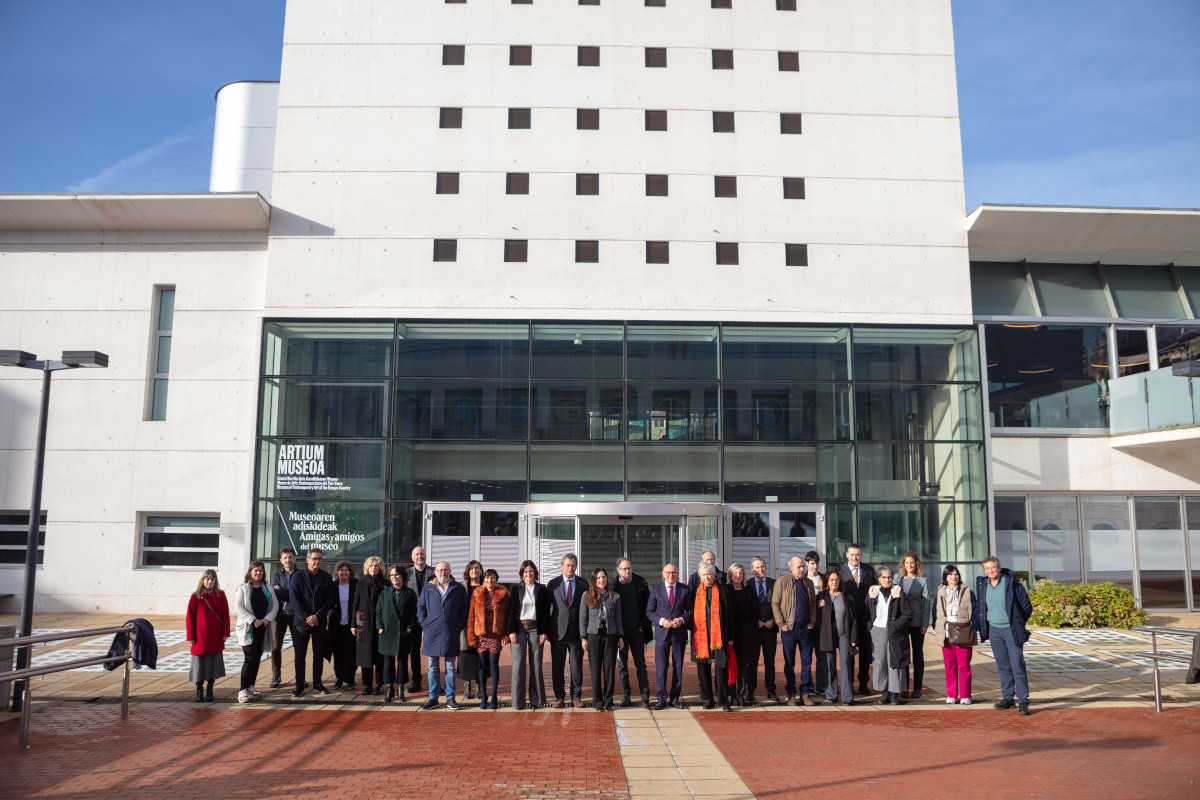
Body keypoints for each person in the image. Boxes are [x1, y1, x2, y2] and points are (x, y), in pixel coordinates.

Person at [973, 556, 1033, 715]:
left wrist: (1018, 622)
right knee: (1003, 666)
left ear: (999, 568)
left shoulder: (1011, 583)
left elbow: (1026, 606)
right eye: (987, 568)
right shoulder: (982, 585)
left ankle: (1023, 701)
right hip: (994, 630)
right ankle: (1008, 698)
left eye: (992, 567)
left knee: (1017, 665)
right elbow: (980, 607)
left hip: (1010, 630)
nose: (990, 571)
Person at [416, 561, 469, 710]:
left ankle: (450, 698)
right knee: (432, 667)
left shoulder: (458, 588)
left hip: (451, 631)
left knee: (450, 667)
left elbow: (465, 608)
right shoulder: (428, 588)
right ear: (435, 572)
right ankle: (433, 698)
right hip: (432, 632)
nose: (443, 573)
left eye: (445, 570)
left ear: (450, 571)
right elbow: (420, 607)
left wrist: (459, 624)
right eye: (440, 570)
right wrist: (425, 624)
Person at [772, 556, 818, 706]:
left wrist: (811, 622)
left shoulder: (808, 583)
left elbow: (812, 605)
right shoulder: (782, 582)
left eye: (803, 567)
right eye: (798, 567)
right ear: (791, 567)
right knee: (789, 663)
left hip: (805, 630)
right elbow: (775, 604)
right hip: (789, 630)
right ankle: (791, 693)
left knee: (807, 662)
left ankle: (805, 692)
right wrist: (781, 623)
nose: (802, 569)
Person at [289, 548, 335, 698]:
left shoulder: (327, 578)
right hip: (302, 623)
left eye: (320, 559)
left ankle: (317, 683)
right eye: (314, 558)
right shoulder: (297, 576)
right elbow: (294, 600)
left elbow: (329, 600)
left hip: (319, 622)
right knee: (300, 655)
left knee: (318, 654)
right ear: (307, 560)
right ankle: (299, 686)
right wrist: (307, 617)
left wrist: (318, 616)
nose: (317, 561)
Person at [689, 563, 734, 712]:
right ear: (700, 576)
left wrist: (730, 636)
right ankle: (708, 699)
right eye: (704, 575)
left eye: (709, 574)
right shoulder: (695, 591)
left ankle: (723, 699)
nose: (707, 577)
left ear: (714, 575)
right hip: (701, 635)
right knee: (703, 667)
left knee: (721, 667)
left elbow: (729, 614)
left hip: (719, 635)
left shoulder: (722, 590)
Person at [233, 561, 279, 703]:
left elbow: (276, 604)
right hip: (248, 629)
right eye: (255, 571)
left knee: (257, 657)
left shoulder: (268, 588)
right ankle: (242, 689)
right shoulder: (243, 589)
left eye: (260, 571)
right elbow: (238, 607)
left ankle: (250, 686)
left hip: (263, 628)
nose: (258, 573)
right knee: (250, 658)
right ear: (250, 572)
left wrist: (267, 619)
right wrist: (254, 620)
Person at [645, 563, 690, 710]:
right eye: (668, 573)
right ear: (663, 574)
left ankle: (675, 698)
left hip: (679, 633)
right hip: (662, 634)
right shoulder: (656, 589)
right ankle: (661, 698)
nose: (671, 575)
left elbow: (691, 610)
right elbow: (649, 611)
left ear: (678, 574)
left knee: (678, 667)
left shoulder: (684, 589)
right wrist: (661, 621)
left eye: (674, 573)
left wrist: (682, 619)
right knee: (661, 667)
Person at [508, 559, 550, 710]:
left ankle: (536, 701)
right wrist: (511, 631)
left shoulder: (542, 589)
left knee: (536, 665)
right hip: (519, 628)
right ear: (522, 574)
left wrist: (544, 632)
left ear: (535, 573)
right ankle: (518, 702)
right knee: (518, 666)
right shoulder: (515, 589)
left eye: (531, 571)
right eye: (525, 572)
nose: (528, 574)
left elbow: (545, 612)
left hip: (535, 628)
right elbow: (511, 611)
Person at [867, 567, 913, 705]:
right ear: (878, 579)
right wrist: (869, 625)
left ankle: (894, 694)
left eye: (889, 577)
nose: (887, 580)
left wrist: (895, 626)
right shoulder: (872, 593)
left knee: (895, 663)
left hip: (895, 632)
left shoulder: (898, 593)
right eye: (884, 577)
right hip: (877, 630)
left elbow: (907, 614)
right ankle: (884, 692)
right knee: (880, 662)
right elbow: (865, 611)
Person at [580, 567, 623, 711]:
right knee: (595, 668)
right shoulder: (587, 596)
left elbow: (618, 619)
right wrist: (583, 638)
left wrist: (621, 637)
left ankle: (608, 701)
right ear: (594, 580)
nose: (601, 580)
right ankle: (597, 701)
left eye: (603, 577)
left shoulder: (614, 596)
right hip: (593, 635)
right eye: (598, 578)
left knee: (609, 669)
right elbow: (583, 619)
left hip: (610, 635)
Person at [837, 543, 877, 696]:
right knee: (849, 653)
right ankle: (849, 684)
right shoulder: (839, 571)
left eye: (858, 555)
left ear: (861, 555)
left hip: (866, 618)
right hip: (848, 619)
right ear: (846, 555)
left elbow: (875, 593)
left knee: (865, 654)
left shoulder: (869, 570)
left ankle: (863, 684)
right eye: (852, 554)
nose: (855, 557)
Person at [467, 568, 510, 710]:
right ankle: (484, 696)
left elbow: (507, 617)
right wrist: (471, 637)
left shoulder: (503, 593)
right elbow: (472, 616)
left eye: (492, 578)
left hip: (496, 636)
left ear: (496, 580)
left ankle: (494, 696)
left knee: (493, 664)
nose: (490, 580)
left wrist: (505, 635)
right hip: (481, 636)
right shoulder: (477, 593)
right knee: (482, 666)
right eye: (487, 578)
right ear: (484, 580)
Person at [547, 553, 586, 708]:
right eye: (568, 565)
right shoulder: (553, 584)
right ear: (562, 566)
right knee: (558, 666)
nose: (571, 568)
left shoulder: (583, 584)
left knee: (576, 667)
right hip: (558, 632)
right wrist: (547, 630)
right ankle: (559, 697)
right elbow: (546, 609)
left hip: (576, 632)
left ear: (576, 566)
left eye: (573, 565)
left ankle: (576, 697)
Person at [934, 564, 976, 705]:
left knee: (963, 665)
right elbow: (936, 611)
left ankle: (965, 695)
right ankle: (951, 694)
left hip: (963, 630)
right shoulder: (941, 591)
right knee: (949, 664)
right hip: (946, 632)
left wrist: (973, 627)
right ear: (946, 577)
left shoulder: (967, 590)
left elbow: (974, 609)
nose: (954, 576)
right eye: (950, 574)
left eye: (956, 574)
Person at [186, 568, 230, 702]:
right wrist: (191, 636)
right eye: (207, 579)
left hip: (215, 635)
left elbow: (225, 615)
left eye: (212, 579)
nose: (209, 582)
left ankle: (210, 688)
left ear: (215, 581)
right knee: (199, 664)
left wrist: (225, 633)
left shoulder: (220, 595)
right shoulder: (196, 596)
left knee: (213, 663)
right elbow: (190, 617)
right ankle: (199, 688)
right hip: (200, 637)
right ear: (203, 580)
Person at [613, 557, 652, 709]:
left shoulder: (640, 584)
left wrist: (643, 626)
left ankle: (645, 697)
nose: (627, 571)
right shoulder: (613, 586)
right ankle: (625, 696)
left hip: (637, 632)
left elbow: (648, 607)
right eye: (624, 569)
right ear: (618, 570)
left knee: (641, 665)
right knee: (622, 666)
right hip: (621, 634)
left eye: (629, 568)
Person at [376, 564, 416, 702]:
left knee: (402, 662)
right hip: (387, 633)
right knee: (387, 663)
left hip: (403, 632)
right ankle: (389, 688)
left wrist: (410, 627)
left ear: (402, 576)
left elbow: (414, 613)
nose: (394, 577)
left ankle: (400, 688)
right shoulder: (385, 593)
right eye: (392, 575)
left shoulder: (409, 593)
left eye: (396, 575)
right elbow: (378, 611)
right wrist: (379, 627)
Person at [815, 570, 856, 705]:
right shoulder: (822, 596)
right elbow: (814, 615)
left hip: (844, 635)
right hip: (827, 635)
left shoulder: (846, 596)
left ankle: (847, 696)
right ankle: (831, 694)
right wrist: (817, 606)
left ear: (840, 581)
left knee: (845, 663)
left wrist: (854, 637)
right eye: (832, 580)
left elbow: (854, 618)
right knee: (829, 664)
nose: (834, 582)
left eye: (836, 580)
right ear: (827, 582)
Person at [896, 551, 929, 699]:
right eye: (907, 562)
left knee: (917, 656)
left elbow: (926, 604)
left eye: (912, 563)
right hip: (902, 622)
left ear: (917, 564)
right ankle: (904, 688)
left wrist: (925, 623)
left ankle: (917, 688)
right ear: (903, 564)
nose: (910, 565)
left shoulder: (922, 581)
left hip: (917, 622)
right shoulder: (898, 579)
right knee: (903, 656)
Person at [354, 555, 388, 694]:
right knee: (364, 654)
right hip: (362, 623)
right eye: (371, 565)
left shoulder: (386, 583)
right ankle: (367, 684)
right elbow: (355, 603)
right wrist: (353, 625)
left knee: (379, 654)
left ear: (380, 567)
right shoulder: (361, 582)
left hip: (380, 623)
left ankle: (379, 684)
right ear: (367, 567)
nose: (374, 568)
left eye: (376, 565)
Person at [747, 557, 779, 704]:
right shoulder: (747, 585)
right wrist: (755, 622)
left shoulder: (774, 583)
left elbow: (779, 604)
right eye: (757, 567)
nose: (761, 569)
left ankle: (771, 690)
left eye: (763, 567)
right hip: (754, 630)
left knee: (769, 662)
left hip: (770, 630)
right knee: (752, 662)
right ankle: (751, 691)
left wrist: (774, 620)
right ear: (752, 569)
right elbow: (745, 609)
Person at [726, 563, 759, 706]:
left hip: (746, 634)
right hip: (731, 634)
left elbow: (755, 612)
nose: (738, 576)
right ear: (730, 575)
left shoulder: (749, 591)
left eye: (740, 573)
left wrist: (751, 627)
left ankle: (741, 695)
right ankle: (732, 694)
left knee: (743, 666)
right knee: (732, 666)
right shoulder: (725, 591)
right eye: (735, 573)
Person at [268, 546, 299, 688]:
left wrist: (284, 592)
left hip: (296, 615)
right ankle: (276, 675)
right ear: (281, 560)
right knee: (276, 646)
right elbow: (276, 594)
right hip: (279, 615)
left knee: (299, 647)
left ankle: (300, 676)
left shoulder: (301, 574)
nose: (288, 560)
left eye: (290, 557)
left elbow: (299, 594)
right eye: (285, 557)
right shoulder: (276, 575)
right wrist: (291, 593)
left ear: (294, 558)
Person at [406, 546, 435, 694]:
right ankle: (416, 681)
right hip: (413, 618)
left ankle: (434, 682)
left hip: (431, 618)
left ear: (426, 555)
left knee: (434, 650)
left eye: (422, 553)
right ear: (412, 557)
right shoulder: (406, 574)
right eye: (416, 554)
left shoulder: (435, 572)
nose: (419, 556)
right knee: (414, 650)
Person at [329, 560, 359, 690]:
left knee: (352, 653)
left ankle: (351, 679)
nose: (344, 572)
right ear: (337, 572)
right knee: (338, 653)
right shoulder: (333, 586)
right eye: (341, 570)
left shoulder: (356, 585)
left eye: (346, 570)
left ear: (350, 572)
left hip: (352, 626)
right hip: (337, 625)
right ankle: (339, 679)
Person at [458, 560, 485, 699]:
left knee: (480, 657)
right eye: (472, 568)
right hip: (465, 627)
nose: (474, 570)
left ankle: (479, 684)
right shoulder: (462, 586)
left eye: (477, 568)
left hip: (482, 627)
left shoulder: (486, 586)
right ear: (468, 572)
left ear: (481, 571)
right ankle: (467, 684)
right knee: (466, 657)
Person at [803, 551, 827, 698]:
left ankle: (821, 686)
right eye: (812, 563)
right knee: (807, 657)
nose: (815, 566)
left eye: (817, 563)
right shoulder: (803, 579)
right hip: (806, 624)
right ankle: (809, 686)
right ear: (807, 564)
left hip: (822, 624)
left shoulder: (824, 578)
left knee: (821, 657)